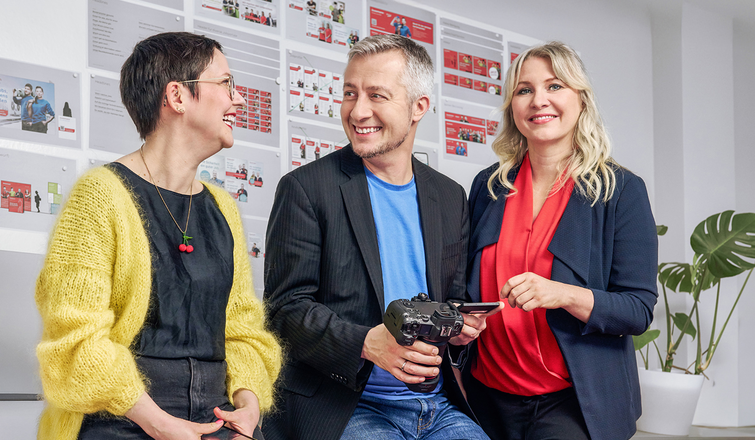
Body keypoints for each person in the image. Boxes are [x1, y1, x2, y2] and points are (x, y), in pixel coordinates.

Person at [34, 32, 282, 440]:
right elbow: (74, 341)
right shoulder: (98, 196)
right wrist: (160, 424)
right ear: (178, 96)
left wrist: (248, 409)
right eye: (225, 84)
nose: (238, 99)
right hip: (121, 417)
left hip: (217, 416)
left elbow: (242, 329)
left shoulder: (223, 207)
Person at [262, 34, 498, 440]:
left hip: (436, 405)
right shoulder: (306, 188)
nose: (358, 111)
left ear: (418, 107)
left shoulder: (449, 196)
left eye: (377, 95)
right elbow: (284, 310)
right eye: (350, 93)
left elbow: (450, 298)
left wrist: (457, 327)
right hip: (346, 406)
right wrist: (367, 343)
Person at [462, 41, 658, 440]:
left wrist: (562, 293)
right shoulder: (488, 186)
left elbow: (637, 310)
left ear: (581, 100)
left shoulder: (620, 190)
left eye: (554, 86)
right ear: (512, 107)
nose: (539, 101)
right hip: (485, 395)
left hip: (572, 402)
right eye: (524, 90)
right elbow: (465, 284)